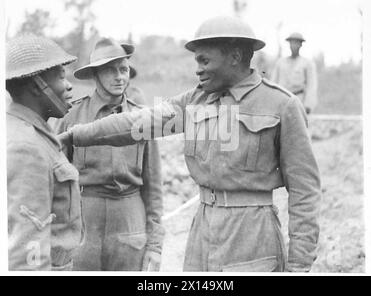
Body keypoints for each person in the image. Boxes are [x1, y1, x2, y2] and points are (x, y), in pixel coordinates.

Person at [58, 16, 321, 272]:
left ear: (235, 56)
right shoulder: (195, 101)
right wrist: (74, 135)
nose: (198, 69)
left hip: (252, 235)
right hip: (202, 233)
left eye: (204, 60)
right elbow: (136, 123)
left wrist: (299, 265)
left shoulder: (281, 105)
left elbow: (305, 191)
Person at [55, 37, 164, 271]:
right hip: (85, 221)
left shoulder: (142, 118)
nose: (119, 77)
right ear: (95, 75)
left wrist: (155, 247)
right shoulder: (71, 116)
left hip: (129, 220)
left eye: (123, 69)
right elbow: (55, 181)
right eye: (110, 71)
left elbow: (154, 188)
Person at [6, 34, 83, 270]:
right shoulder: (26, 148)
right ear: (36, 85)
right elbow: (27, 255)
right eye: (61, 76)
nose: (69, 85)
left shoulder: (30, 132)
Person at [270, 32, 318, 114]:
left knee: (297, 124)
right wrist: (271, 102)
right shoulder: (281, 62)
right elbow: (273, 83)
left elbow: (311, 85)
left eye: (296, 43)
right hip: (281, 99)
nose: (294, 45)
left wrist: (308, 105)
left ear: (301, 45)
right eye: (292, 43)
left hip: (298, 100)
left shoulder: (307, 63)